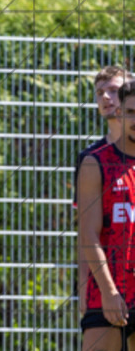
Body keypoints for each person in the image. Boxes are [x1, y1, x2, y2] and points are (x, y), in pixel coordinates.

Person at [30, 79, 135, 351]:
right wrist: (107, 292)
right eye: (129, 111)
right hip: (108, 294)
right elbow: (88, 236)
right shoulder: (96, 162)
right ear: (118, 114)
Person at [75, 66, 128, 319]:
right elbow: (85, 232)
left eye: (114, 90)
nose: (105, 97)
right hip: (106, 286)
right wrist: (83, 287)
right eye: (99, 93)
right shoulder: (90, 159)